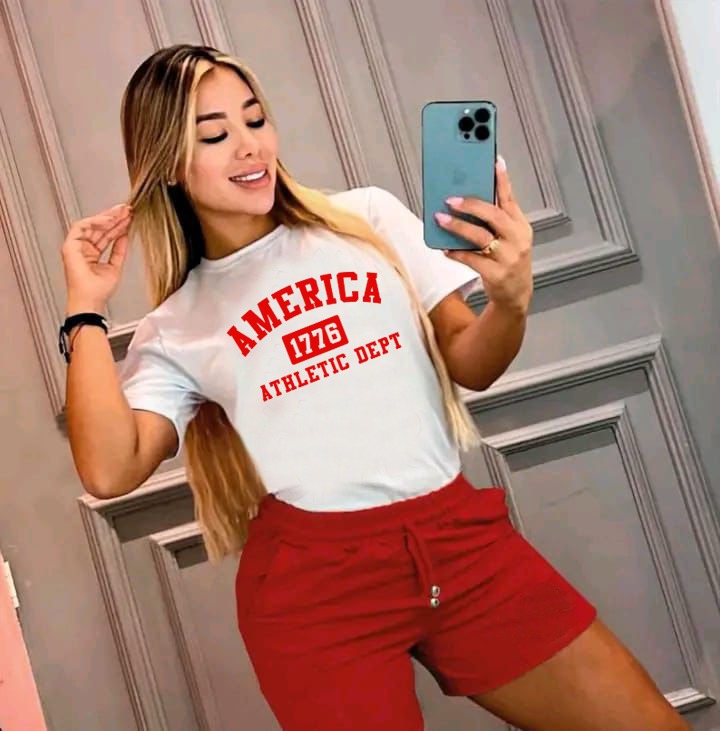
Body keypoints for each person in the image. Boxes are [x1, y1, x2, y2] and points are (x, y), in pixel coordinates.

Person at [60, 44, 691, 731]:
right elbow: (111, 468)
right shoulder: (178, 324)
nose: (250, 146)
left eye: (255, 119)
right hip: (317, 592)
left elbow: (472, 362)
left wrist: (510, 300)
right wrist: (85, 307)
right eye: (214, 135)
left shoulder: (367, 219)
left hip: (460, 542)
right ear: (168, 163)